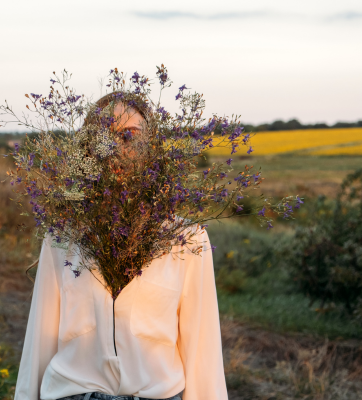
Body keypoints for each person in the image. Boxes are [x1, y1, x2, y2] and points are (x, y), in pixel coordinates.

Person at [14, 93, 228, 400]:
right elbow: (39, 342)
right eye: (103, 137)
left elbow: (202, 355)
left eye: (130, 136)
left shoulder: (187, 238)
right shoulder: (63, 236)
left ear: (151, 147)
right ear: (89, 148)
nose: (116, 148)